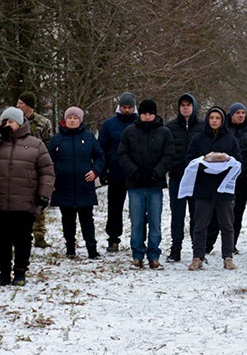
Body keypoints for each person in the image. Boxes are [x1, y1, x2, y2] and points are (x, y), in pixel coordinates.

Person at [0, 106, 55, 285]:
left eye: (10, 121)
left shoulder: (36, 144)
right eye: (4, 122)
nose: (7, 125)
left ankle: (20, 271)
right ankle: (3, 272)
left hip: (25, 202)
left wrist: (44, 194)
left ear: (20, 123)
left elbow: (47, 171)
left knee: (23, 239)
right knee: (2, 239)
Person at [181, 107, 242, 270]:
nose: (214, 121)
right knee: (200, 225)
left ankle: (228, 257)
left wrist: (226, 161)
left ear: (222, 121)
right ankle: (197, 257)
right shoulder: (198, 139)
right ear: (207, 120)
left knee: (227, 225)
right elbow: (189, 160)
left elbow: (238, 161)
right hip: (204, 188)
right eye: (211, 118)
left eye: (218, 118)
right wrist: (203, 164)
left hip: (224, 190)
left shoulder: (230, 139)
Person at [118, 99, 174, 268]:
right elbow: (122, 154)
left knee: (155, 222)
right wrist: (134, 172)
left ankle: (154, 254)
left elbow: (169, 155)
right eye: (144, 114)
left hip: (155, 185)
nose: (147, 117)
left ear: (155, 114)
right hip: (135, 185)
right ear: (139, 114)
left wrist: (157, 172)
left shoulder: (164, 132)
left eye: (150, 114)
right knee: (137, 222)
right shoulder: (130, 132)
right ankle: (137, 254)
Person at [48, 106, 105, 259]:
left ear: (80, 120)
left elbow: (100, 157)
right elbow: (48, 162)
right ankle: (70, 248)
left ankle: (92, 249)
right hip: (63, 186)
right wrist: (51, 179)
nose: (72, 120)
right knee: (67, 220)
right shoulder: (56, 140)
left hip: (84, 186)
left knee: (87, 220)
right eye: (69, 118)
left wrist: (95, 171)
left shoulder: (89, 137)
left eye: (75, 118)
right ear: (65, 120)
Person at [98, 93, 138, 252]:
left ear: (134, 108)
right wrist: (103, 171)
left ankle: (140, 237)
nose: (127, 110)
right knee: (114, 208)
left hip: (136, 173)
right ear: (119, 107)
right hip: (116, 172)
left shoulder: (139, 123)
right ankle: (113, 238)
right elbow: (102, 149)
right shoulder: (109, 125)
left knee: (139, 209)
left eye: (130, 107)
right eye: (124, 107)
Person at [165, 93, 203, 262]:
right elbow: (166, 150)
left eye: (188, 104)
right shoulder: (171, 127)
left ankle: (198, 251)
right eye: (182, 105)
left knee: (197, 215)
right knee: (177, 215)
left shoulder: (202, 126)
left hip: (197, 178)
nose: (185, 107)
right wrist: (171, 167)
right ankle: (176, 248)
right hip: (177, 178)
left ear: (194, 106)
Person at [17, 92, 54, 248]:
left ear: (28, 105)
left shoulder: (44, 123)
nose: (18, 106)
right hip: (19, 167)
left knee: (39, 201)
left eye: (20, 103)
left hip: (38, 166)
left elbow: (49, 146)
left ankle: (39, 235)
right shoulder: (15, 121)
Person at [221, 102, 247, 252]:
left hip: (242, 177)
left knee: (238, 210)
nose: (241, 115)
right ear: (231, 115)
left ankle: (231, 244)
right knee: (220, 210)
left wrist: (244, 164)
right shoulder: (224, 130)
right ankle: (209, 242)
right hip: (224, 176)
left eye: (243, 113)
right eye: (238, 113)